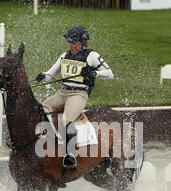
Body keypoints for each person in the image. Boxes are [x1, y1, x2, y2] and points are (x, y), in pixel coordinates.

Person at [36, 25, 114, 169]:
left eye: (74, 42)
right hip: (62, 93)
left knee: (66, 120)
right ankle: (48, 138)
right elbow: (50, 74)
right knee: (40, 108)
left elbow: (110, 73)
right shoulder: (65, 55)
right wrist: (42, 76)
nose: (71, 45)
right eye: (70, 42)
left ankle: (70, 155)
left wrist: (94, 73)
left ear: (82, 42)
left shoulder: (92, 56)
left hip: (78, 94)